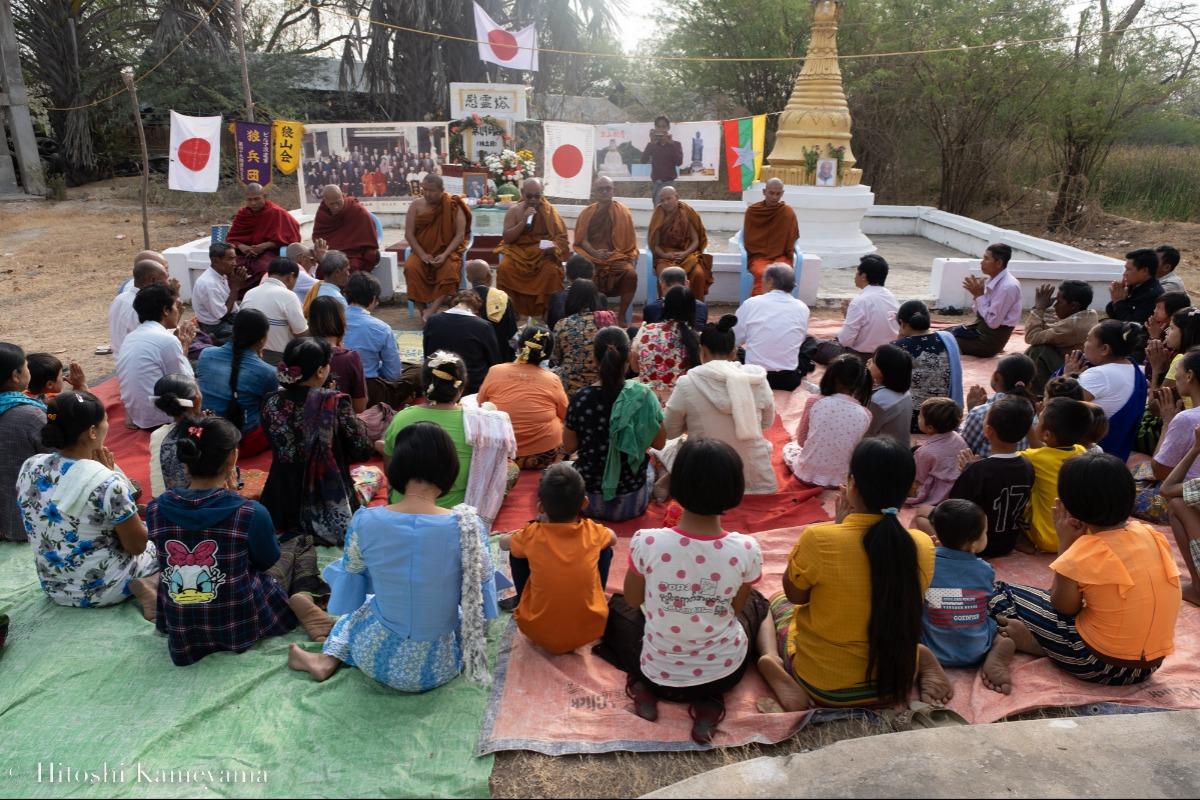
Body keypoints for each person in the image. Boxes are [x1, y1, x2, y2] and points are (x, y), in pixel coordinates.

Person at [287, 422, 498, 691]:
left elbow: (352, 585)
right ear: (450, 470)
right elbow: (482, 594)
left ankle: (326, 659)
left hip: (376, 657)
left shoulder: (366, 521)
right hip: (440, 665)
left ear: (396, 467)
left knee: (364, 609)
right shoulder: (469, 526)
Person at [757, 436, 950, 711]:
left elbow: (796, 596)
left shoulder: (819, 539)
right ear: (910, 489)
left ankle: (771, 661)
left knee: (773, 602)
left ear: (853, 486)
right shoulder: (921, 544)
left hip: (826, 687)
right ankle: (919, 656)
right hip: (895, 684)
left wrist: (837, 528)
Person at [599, 438, 766, 744]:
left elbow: (635, 600)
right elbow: (734, 607)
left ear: (676, 483)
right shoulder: (746, 549)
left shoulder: (647, 542)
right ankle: (709, 702)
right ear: (735, 489)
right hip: (725, 673)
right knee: (757, 602)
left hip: (656, 671)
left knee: (618, 609)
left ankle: (643, 689)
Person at [146, 417, 332, 666]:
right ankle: (302, 595)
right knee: (300, 542)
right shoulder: (249, 512)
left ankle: (151, 583)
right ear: (233, 458)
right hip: (240, 619)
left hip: (184, 626)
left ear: (185, 458)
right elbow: (268, 562)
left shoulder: (156, 509)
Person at [985, 453, 1181, 688]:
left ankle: (1037, 643)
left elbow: (1063, 606)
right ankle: (1047, 642)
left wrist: (1066, 545)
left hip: (1096, 664)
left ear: (1069, 505)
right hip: (1148, 666)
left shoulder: (1086, 550)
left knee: (997, 593)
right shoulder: (1152, 534)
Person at [15, 391, 159, 615]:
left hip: (56, 588)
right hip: (105, 588)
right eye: (105, 420)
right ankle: (152, 583)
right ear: (92, 431)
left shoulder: (30, 466)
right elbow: (136, 546)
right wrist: (114, 480)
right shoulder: (107, 482)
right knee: (171, 542)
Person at [260, 337, 375, 547]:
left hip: (280, 500)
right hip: (325, 498)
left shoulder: (270, 401)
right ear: (321, 371)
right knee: (374, 475)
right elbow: (362, 450)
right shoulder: (335, 402)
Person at [499, 463, 616, 653]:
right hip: (590, 629)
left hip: (536, 629)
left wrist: (521, 532)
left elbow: (504, 543)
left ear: (540, 508)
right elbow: (613, 538)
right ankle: (595, 597)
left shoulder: (531, 534)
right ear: (584, 503)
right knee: (605, 549)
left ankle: (523, 600)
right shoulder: (593, 532)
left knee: (517, 551)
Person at [664, 315, 777, 494]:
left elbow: (670, 431)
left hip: (706, 481)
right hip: (757, 482)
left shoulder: (688, 383)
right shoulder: (756, 379)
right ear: (734, 351)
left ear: (702, 351)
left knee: (669, 449)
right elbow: (766, 423)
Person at [563, 327, 666, 522]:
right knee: (653, 465)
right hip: (633, 501)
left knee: (560, 470)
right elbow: (660, 444)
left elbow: (568, 446)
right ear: (628, 360)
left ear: (594, 359)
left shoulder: (580, 399)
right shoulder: (644, 396)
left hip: (587, 500)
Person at [916, 397, 1035, 558]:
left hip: (976, 544)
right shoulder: (1028, 466)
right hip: (1007, 542)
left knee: (920, 515)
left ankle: (952, 550)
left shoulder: (978, 470)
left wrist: (967, 471)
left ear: (988, 431)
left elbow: (954, 511)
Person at [918, 501, 1010, 687]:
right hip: (976, 649)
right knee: (1001, 633)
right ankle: (997, 651)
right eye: (985, 532)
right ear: (974, 544)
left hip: (934, 649)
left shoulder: (926, 562)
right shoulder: (985, 570)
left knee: (923, 611)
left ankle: (925, 662)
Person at [477, 327, 568, 470]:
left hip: (501, 452)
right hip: (543, 454)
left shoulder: (495, 371)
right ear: (547, 353)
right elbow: (564, 414)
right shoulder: (553, 379)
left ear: (519, 346)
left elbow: (481, 404)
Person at [196, 309, 277, 456]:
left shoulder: (205, 354)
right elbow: (268, 407)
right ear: (263, 339)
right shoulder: (268, 372)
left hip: (205, 434)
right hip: (243, 443)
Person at [782, 354, 871, 488]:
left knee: (789, 448)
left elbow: (801, 440)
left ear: (830, 376)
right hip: (840, 481)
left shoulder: (815, 401)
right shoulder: (866, 414)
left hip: (805, 475)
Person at [1064, 321, 1148, 461]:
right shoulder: (1137, 369)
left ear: (1104, 349)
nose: (1084, 344)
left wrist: (1067, 376)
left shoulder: (1099, 375)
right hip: (1117, 455)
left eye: (1088, 339)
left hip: (1085, 458)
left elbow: (1059, 408)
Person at [116, 283, 196, 430]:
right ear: (166, 310)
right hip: (161, 418)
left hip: (138, 415)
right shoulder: (167, 339)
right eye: (175, 307)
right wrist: (184, 345)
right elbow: (183, 382)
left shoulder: (132, 336)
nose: (178, 312)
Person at [1019, 397, 1091, 552]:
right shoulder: (1081, 451)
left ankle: (1020, 538)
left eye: (1039, 419)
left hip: (1045, 538)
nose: (1036, 421)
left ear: (1047, 435)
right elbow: (1048, 452)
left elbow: (1006, 458)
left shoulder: (1031, 458)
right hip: (1075, 536)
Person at [1135, 349, 1200, 522]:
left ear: (1189, 376)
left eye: (1177, 371)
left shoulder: (1186, 419)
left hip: (1186, 499)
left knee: (1122, 490)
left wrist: (1167, 423)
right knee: (1138, 468)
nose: (1175, 379)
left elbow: (1159, 471)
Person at [495, 178, 570, 319]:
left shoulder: (549, 211)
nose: (534, 200)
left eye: (537, 196)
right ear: (522, 193)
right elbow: (507, 238)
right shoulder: (514, 211)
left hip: (542, 255)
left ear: (542, 194)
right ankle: (512, 313)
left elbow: (561, 239)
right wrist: (523, 221)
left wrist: (553, 247)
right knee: (504, 268)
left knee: (552, 272)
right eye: (529, 196)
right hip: (518, 254)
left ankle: (547, 313)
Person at [733, 264, 812, 391]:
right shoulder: (803, 308)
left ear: (770, 282)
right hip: (789, 380)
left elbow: (734, 340)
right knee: (809, 342)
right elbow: (799, 340)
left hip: (754, 377)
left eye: (763, 279)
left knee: (736, 350)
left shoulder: (751, 304)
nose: (761, 283)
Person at [403, 174, 471, 314]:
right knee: (411, 268)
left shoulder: (453, 204)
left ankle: (432, 310)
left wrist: (445, 255)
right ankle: (423, 311)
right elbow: (409, 234)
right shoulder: (416, 205)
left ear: (442, 190)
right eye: (425, 189)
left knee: (450, 269)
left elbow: (460, 235)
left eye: (432, 190)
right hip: (423, 251)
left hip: (447, 252)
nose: (427, 194)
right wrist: (422, 255)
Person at [573, 176, 639, 322]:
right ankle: (597, 315)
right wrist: (594, 252)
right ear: (595, 192)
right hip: (592, 258)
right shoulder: (587, 213)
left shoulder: (623, 212)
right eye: (600, 189)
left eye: (607, 188)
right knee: (587, 276)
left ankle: (621, 315)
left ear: (613, 190)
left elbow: (629, 242)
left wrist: (614, 253)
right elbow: (581, 240)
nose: (604, 192)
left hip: (617, 256)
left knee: (631, 274)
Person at [1, 344, 49, 541]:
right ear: (15, 375)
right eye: (26, 366)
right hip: (28, 520)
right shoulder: (31, 415)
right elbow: (62, 459)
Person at [814, 255, 900, 364]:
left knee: (811, 344)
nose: (855, 276)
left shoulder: (860, 301)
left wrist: (847, 318)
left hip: (860, 358)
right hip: (887, 357)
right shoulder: (892, 298)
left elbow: (845, 341)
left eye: (857, 272)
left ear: (863, 276)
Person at [892, 300, 963, 431]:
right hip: (944, 416)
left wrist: (898, 342)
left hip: (911, 420)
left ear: (902, 323)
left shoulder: (896, 348)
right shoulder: (947, 339)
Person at [343, 272, 411, 410]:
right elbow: (393, 374)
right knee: (414, 372)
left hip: (336, 384)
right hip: (369, 389)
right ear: (374, 299)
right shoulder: (381, 328)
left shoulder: (333, 321)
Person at [1024, 280, 1099, 393]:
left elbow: (1031, 336)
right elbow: (1045, 331)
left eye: (1058, 301)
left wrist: (1038, 308)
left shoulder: (1072, 327)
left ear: (1073, 305)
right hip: (1077, 364)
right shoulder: (1089, 314)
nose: (1054, 306)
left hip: (1076, 371)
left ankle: (1038, 394)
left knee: (1038, 351)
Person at [949, 243, 1023, 357]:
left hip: (989, 342)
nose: (981, 262)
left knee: (944, 342)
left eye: (986, 258)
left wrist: (979, 296)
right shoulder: (991, 280)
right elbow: (980, 313)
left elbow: (993, 323)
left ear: (999, 263)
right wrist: (976, 296)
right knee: (945, 334)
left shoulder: (1008, 287)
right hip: (980, 329)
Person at [421, 290, 501, 395]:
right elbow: (494, 361)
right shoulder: (483, 326)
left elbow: (427, 354)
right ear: (476, 309)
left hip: (437, 382)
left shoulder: (432, 321)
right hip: (472, 386)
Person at [225, 183, 302, 289]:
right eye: (249, 200)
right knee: (233, 267)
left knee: (265, 269)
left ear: (265, 197)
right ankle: (236, 293)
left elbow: (291, 237)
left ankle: (261, 292)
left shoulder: (277, 212)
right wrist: (242, 246)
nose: (253, 203)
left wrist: (264, 246)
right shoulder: (243, 214)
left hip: (268, 252)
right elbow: (232, 238)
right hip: (245, 253)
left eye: (257, 199)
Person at [631, 285, 700, 404]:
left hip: (646, 403)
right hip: (677, 405)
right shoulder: (695, 340)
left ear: (664, 306)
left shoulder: (646, 330)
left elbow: (634, 367)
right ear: (692, 310)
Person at [961, 354, 1037, 456]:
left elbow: (963, 451)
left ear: (997, 377)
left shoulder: (979, 413)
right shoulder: (1033, 414)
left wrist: (972, 410)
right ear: (1029, 385)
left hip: (984, 470)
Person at [648, 186, 711, 301]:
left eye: (668, 198)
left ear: (677, 197)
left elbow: (695, 240)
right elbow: (655, 245)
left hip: (687, 255)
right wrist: (665, 255)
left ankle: (695, 308)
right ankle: (667, 309)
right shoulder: (658, 215)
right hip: (665, 257)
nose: (665, 203)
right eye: (662, 200)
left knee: (698, 274)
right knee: (666, 275)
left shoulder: (686, 212)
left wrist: (685, 253)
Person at [240, 258, 309, 365]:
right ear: (290, 277)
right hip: (276, 358)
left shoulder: (250, 293)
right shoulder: (289, 296)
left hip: (247, 354)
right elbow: (302, 334)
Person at [306, 296, 367, 415]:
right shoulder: (349, 357)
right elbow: (360, 407)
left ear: (310, 322)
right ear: (341, 322)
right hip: (341, 424)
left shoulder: (300, 351)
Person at [1162, 426, 1200, 605]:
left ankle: (1197, 587)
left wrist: (1195, 448)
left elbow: (1166, 488)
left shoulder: (1184, 419)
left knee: (1176, 505)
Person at [742, 178, 799, 297]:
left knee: (783, 274)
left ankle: (781, 309)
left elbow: (791, 238)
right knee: (763, 272)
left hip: (780, 256)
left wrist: (784, 255)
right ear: (764, 192)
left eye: (778, 194)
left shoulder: (787, 212)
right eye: (771, 193)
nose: (774, 197)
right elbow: (749, 240)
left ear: (782, 194)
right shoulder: (753, 211)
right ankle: (760, 308)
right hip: (759, 257)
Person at [148, 373, 202, 498]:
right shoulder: (206, 431)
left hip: (163, 505)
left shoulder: (157, 435)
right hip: (199, 506)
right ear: (197, 399)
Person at [552, 279, 608, 397]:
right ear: (595, 298)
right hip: (603, 384)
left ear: (571, 299)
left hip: (570, 388)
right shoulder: (606, 321)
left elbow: (555, 359)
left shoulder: (562, 324)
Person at [311, 185, 381, 272]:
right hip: (331, 254)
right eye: (332, 204)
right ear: (325, 201)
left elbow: (370, 238)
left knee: (352, 266)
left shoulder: (356, 210)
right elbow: (318, 236)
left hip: (353, 254)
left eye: (338, 202)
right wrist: (321, 249)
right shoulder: (323, 213)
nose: (335, 206)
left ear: (343, 196)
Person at [109, 258, 171, 355]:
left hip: (122, 358)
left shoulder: (119, 298)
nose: (168, 283)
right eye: (166, 279)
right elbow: (154, 341)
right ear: (153, 280)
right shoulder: (141, 305)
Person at [192, 243, 250, 345]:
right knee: (249, 334)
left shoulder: (220, 274)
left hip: (227, 316)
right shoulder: (209, 283)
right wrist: (235, 287)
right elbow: (222, 315)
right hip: (215, 326)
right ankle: (218, 342)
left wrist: (233, 278)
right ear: (215, 260)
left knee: (256, 320)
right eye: (230, 259)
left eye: (235, 259)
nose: (234, 263)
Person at [467, 259, 518, 362]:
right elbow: (513, 337)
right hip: (499, 360)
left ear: (468, 278)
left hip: (470, 360)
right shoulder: (503, 299)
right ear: (489, 276)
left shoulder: (461, 300)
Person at [866, 344, 914, 448]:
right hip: (900, 449)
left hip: (884, 453)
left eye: (874, 361)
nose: (869, 361)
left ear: (883, 371)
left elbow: (867, 432)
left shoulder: (879, 401)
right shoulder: (904, 392)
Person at [1107, 248, 1164, 325]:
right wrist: (1116, 298)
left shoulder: (1153, 295)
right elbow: (1112, 313)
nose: (1125, 273)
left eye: (1128, 269)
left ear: (1144, 271)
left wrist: (1118, 301)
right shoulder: (1133, 286)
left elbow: (1132, 325)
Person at [642, 266, 708, 327]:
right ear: (687, 284)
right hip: (694, 339)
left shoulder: (650, 309)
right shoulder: (701, 307)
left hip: (660, 338)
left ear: (663, 285)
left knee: (633, 330)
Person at [640, 115, 683, 205]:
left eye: (663, 127)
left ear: (668, 128)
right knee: (658, 214)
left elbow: (679, 162)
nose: (661, 129)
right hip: (657, 184)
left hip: (670, 184)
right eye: (658, 127)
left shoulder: (675, 144)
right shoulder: (653, 145)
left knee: (671, 212)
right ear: (655, 128)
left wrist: (670, 144)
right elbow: (643, 160)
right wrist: (651, 142)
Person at [546, 255, 596, 333]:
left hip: (562, 339)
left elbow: (551, 325)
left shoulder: (557, 297)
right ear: (592, 275)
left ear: (567, 275)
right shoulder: (599, 297)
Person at [303, 250, 351, 314]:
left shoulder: (315, 289)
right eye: (347, 270)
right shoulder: (337, 299)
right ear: (337, 272)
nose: (348, 274)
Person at [285, 239, 328, 306]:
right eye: (312, 260)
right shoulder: (298, 275)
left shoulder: (291, 270)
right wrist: (322, 259)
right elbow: (330, 287)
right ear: (301, 258)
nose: (314, 264)